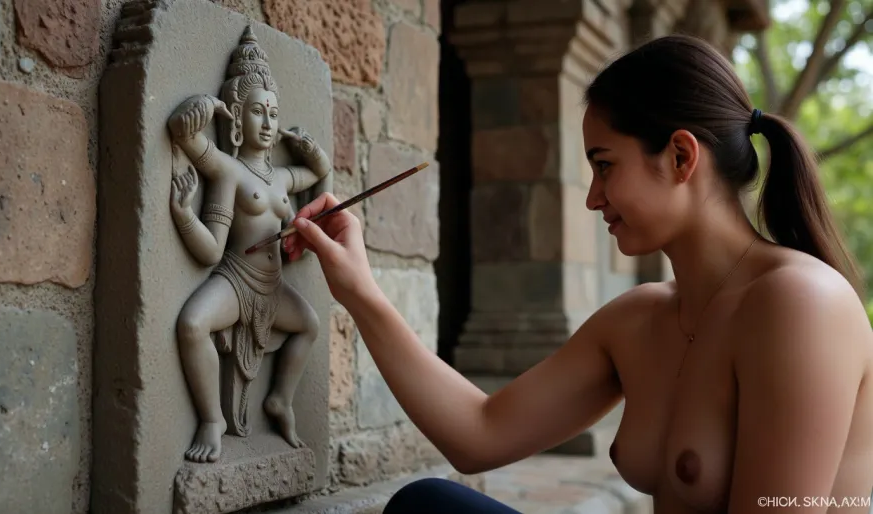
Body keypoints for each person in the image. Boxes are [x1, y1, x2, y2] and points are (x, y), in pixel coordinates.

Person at [282, 35, 873, 513]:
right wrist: (360, 291)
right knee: (428, 506)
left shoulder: (800, 303)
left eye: (605, 166)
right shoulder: (641, 319)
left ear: (681, 156)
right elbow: (478, 433)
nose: (593, 198)